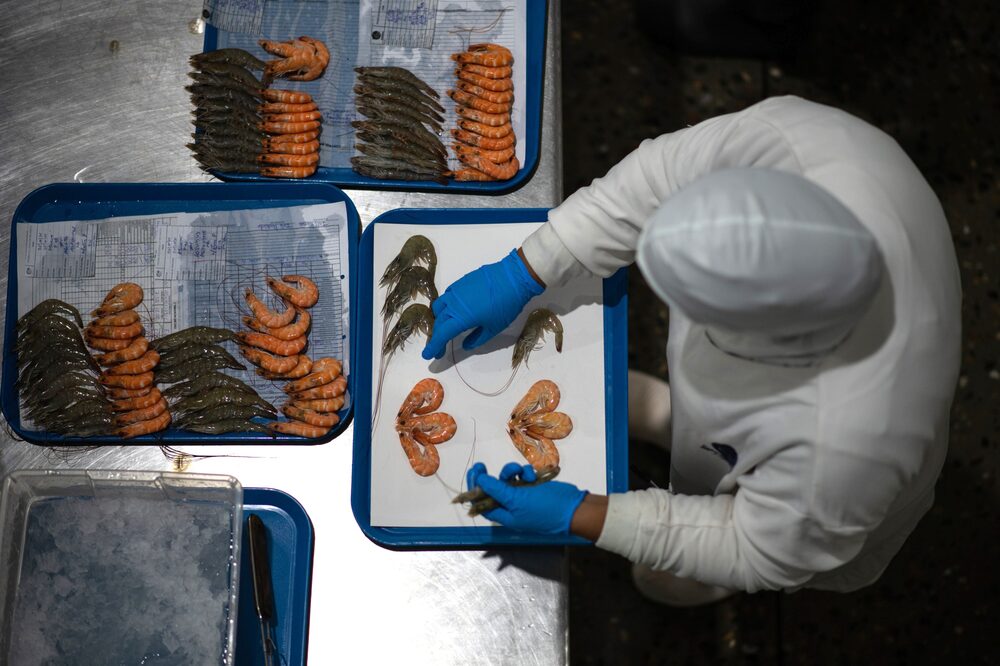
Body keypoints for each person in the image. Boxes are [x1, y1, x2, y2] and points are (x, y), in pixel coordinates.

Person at [421, 96, 961, 605]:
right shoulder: (809, 143)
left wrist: (587, 516)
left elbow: (753, 546)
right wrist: (528, 267)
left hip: (809, 515)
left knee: (672, 567)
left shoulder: (846, 454)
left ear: (755, 331)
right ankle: (670, 423)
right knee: (699, 432)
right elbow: (658, 180)